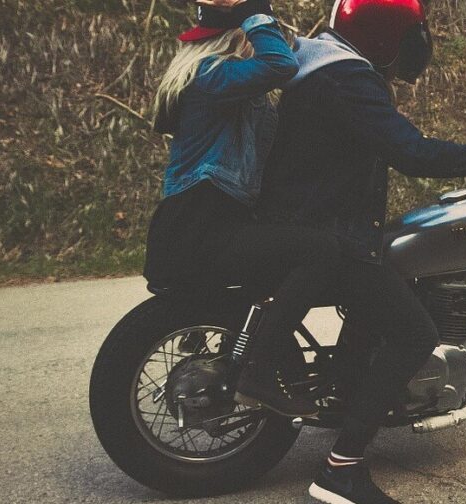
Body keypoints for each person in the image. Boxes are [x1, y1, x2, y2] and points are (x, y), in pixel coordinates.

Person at [258, 0, 466, 501]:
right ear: (386, 36)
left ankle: (351, 392)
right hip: (331, 237)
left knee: (385, 294)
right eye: (411, 33)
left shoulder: (320, 65)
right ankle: (341, 470)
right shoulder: (348, 77)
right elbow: (410, 151)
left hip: (310, 225)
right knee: (415, 333)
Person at [143, 0, 333, 418]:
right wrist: (256, 11)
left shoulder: (229, 88)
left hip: (208, 220)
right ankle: (258, 374)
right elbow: (280, 64)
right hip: (201, 223)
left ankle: (249, 355)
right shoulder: (211, 74)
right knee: (324, 252)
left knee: (293, 255)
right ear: (238, 38)